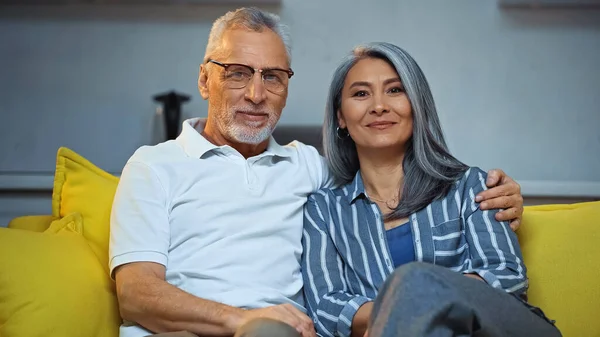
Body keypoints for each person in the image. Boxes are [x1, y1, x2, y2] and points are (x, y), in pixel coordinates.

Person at [109, 7, 525, 337]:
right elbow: (137, 295)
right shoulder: (153, 166)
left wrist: (504, 195)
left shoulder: (309, 168)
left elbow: (383, 176)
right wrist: (245, 320)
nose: (256, 94)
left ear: (286, 88)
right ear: (205, 80)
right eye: (238, 73)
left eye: (272, 77)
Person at [301, 42, 561, 337]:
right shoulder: (323, 211)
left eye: (395, 90)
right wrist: (406, 311)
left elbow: (506, 276)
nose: (378, 106)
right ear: (341, 117)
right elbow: (326, 308)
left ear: (417, 103)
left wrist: (415, 297)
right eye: (361, 94)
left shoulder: (471, 186)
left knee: (414, 281)